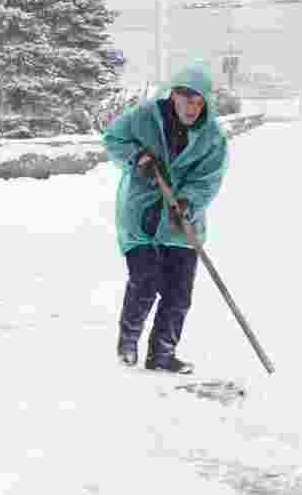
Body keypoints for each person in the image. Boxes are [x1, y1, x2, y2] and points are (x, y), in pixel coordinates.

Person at [103, 61, 229, 374]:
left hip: (181, 223)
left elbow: (209, 178)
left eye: (199, 103)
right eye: (187, 100)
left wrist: (187, 202)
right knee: (145, 282)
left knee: (178, 294)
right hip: (142, 217)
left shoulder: (212, 136)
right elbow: (113, 139)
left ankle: (162, 353)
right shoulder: (145, 116)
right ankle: (128, 341)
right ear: (173, 95)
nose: (192, 108)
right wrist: (138, 158)